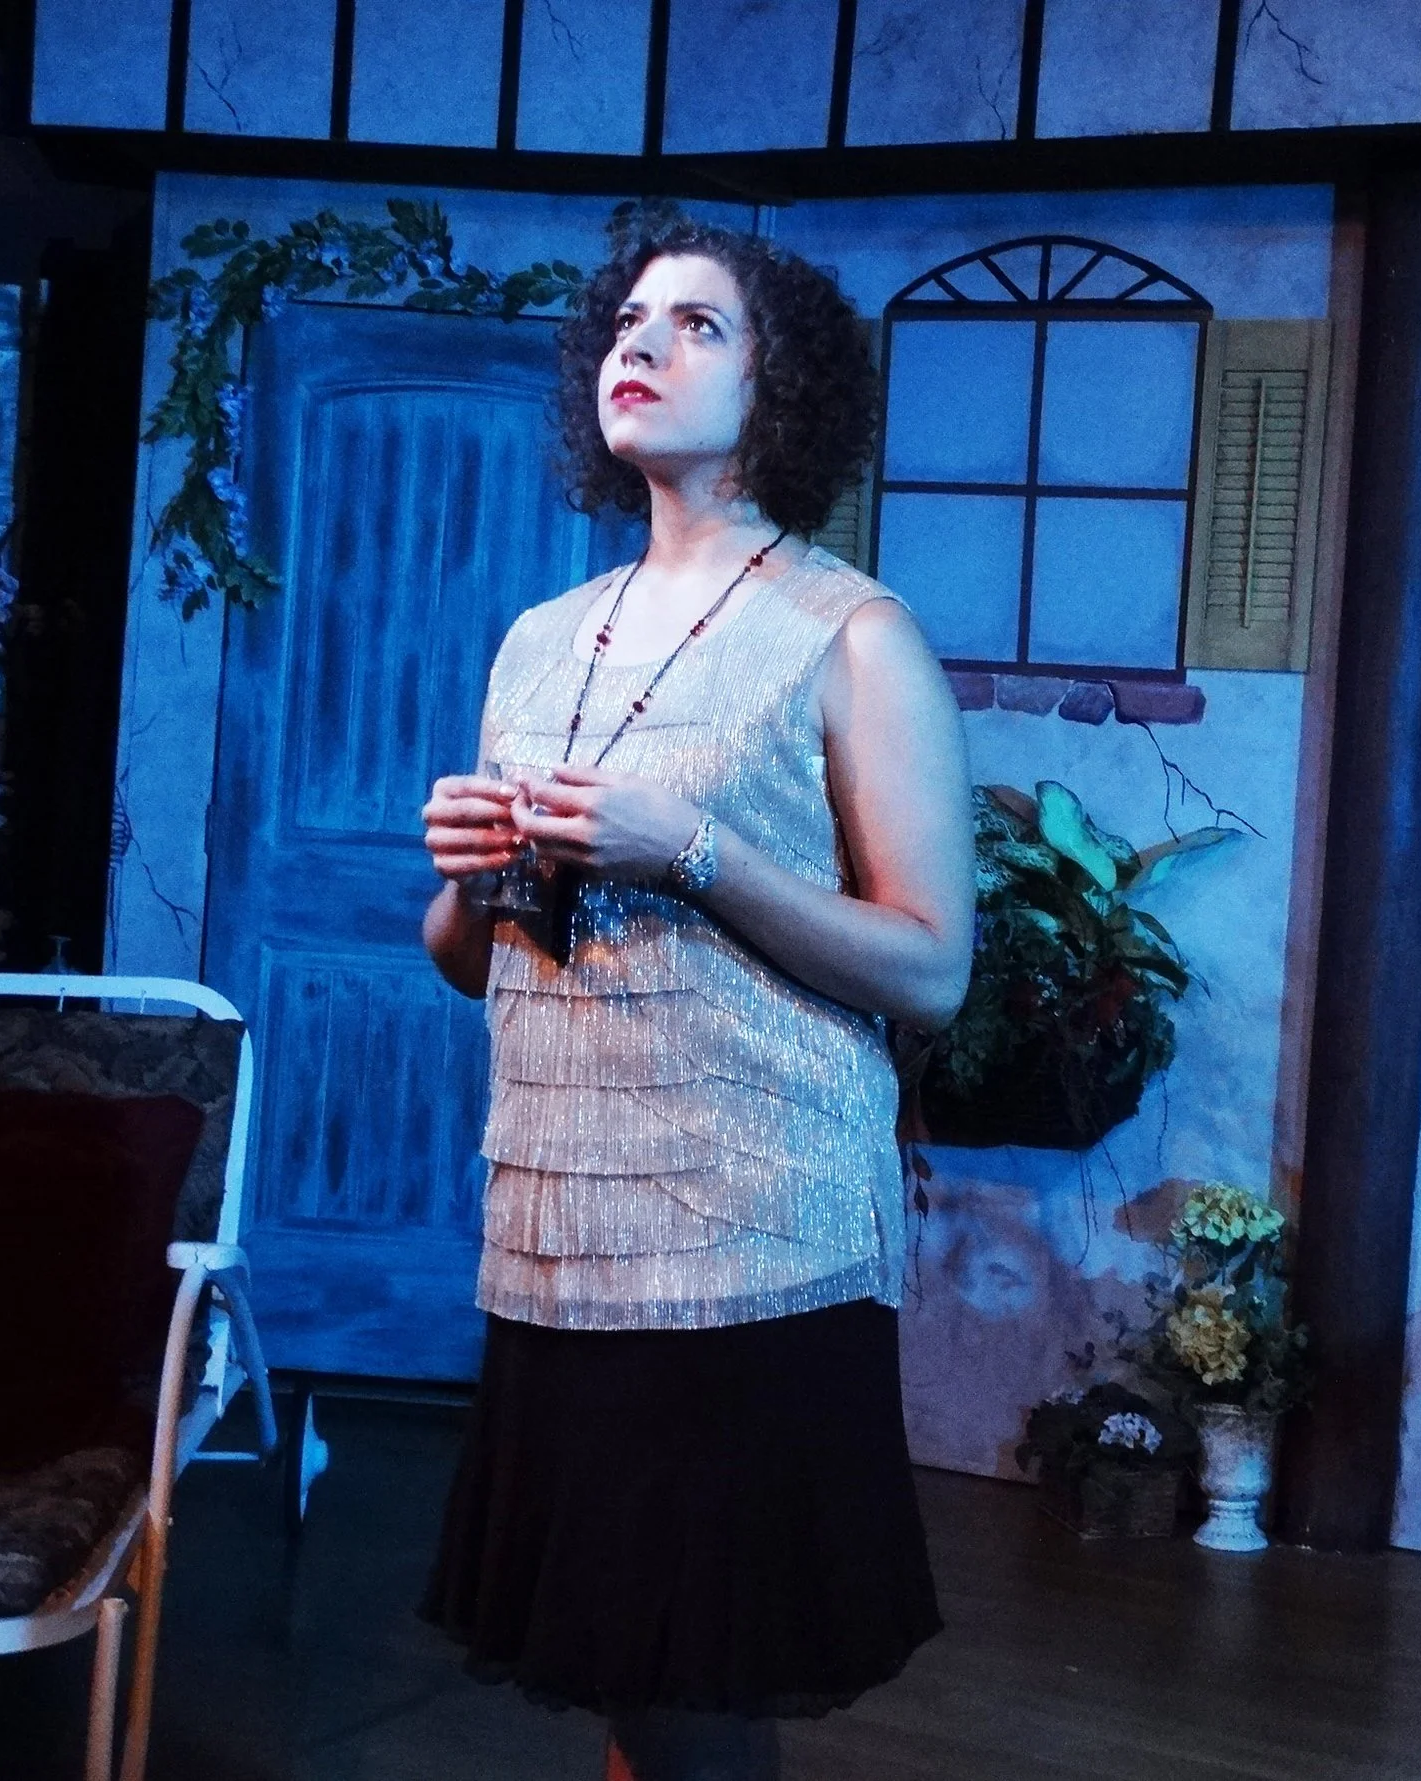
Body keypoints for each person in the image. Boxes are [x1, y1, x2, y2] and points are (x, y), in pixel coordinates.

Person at [415, 202, 972, 1781]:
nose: (638, 346)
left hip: (752, 1235)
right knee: (620, 1671)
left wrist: (698, 851)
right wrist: (464, 875)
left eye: (697, 325)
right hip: (555, 1226)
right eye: (627, 322)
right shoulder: (540, 642)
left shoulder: (850, 632)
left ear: (780, 388)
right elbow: (472, 965)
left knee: (699, 1693)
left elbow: (933, 963)